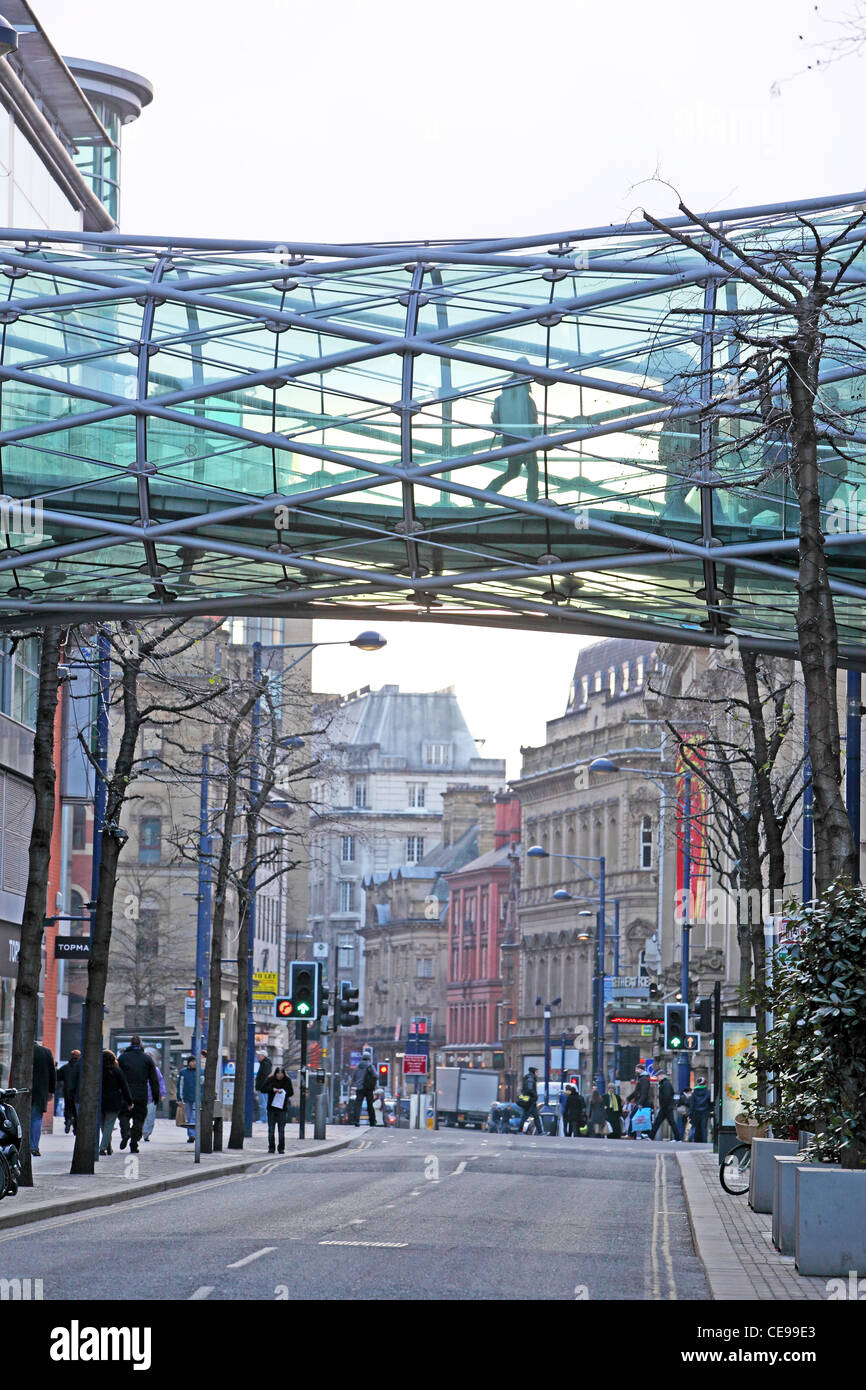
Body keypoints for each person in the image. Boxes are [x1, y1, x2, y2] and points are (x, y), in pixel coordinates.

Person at [484, 362, 540, 504]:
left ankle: (486, 493)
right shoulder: (525, 397)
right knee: (532, 470)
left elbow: (497, 421)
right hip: (525, 439)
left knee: (514, 472)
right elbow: (533, 421)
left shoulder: (502, 397)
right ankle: (533, 501)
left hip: (511, 439)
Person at [117, 1035, 160, 1154]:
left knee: (124, 1115)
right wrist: (156, 1096)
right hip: (141, 1094)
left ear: (130, 1044)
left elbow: (117, 1076)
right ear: (141, 1044)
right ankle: (134, 1143)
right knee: (138, 1120)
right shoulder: (147, 1059)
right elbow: (154, 1080)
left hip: (125, 1094)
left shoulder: (123, 1058)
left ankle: (126, 1132)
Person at [100, 1050, 133, 1155]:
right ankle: (103, 1147)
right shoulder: (117, 1071)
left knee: (103, 1126)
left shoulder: (98, 1071)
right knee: (109, 1125)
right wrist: (129, 1101)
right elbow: (124, 1087)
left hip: (100, 1101)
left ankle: (107, 1147)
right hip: (114, 1102)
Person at [30, 1041, 56, 1156]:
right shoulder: (46, 1052)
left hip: (24, 1091)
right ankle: (34, 1146)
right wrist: (51, 1090)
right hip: (40, 1091)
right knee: (36, 1119)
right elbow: (52, 1072)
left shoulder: (21, 1051)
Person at [259, 1065, 294, 1153]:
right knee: (271, 1129)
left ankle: (281, 1148)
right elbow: (263, 1089)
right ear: (275, 1074)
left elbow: (291, 1092)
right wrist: (272, 1089)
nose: (279, 1075)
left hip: (282, 1108)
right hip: (271, 1108)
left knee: (281, 1129)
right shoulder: (270, 1079)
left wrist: (283, 1091)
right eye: (278, 1074)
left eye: (281, 1074)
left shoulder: (287, 1081)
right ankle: (271, 1147)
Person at [649, 1069, 681, 1141]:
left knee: (667, 1122)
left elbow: (666, 1096)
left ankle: (678, 1138)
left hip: (666, 1107)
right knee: (659, 1122)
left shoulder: (666, 1084)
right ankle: (651, 1136)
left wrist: (664, 1105)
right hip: (666, 1107)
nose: (657, 1078)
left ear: (662, 1076)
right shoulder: (664, 1083)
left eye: (658, 1076)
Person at [141, 1051, 166, 1142]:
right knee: (141, 1116)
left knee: (150, 1117)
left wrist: (163, 1094)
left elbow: (161, 1082)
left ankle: (146, 1133)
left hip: (151, 1097)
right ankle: (141, 1131)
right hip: (141, 1097)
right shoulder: (140, 1068)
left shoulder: (156, 1070)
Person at [56, 1050, 81, 1136]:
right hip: (77, 1093)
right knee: (76, 1111)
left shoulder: (65, 1067)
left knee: (68, 1108)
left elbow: (58, 1077)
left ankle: (68, 1120)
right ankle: (76, 1128)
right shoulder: (80, 1068)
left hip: (67, 1091)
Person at [352, 1051, 378, 1126]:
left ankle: (356, 1121)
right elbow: (376, 1076)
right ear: (369, 1058)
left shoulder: (357, 1067)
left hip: (359, 1089)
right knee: (370, 1105)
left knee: (358, 1105)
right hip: (368, 1088)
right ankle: (372, 1121)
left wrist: (357, 1083)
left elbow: (353, 1078)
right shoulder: (370, 1066)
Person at [626, 1067, 652, 1139]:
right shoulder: (641, 1078)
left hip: (643, 1102)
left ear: (641, 1070)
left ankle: (631, 1134)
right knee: (643, 1118)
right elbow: (636, 1091)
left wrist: (640, 1103)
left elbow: (644, 1092)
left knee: (634, 1117)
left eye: (637, 1069)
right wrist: (629, 1098)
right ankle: (641, 1134)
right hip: (642, 1101)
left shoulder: (644, 1079)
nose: (635, 1071)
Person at [178, 1056, 198, 1144]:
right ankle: (191, 1135)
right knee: (189, 1117)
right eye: (192, 1061)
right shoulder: (183, 1072)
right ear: (189, 1062)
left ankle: (192, 1135)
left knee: (194, 1116)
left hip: (197, 1098)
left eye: (195, 1061)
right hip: (187, 1097)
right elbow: (180, 1085)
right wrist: (179, 1097)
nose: (194, 1063)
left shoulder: (200, 1072)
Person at [518, 1066, 542, 1134]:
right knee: (525, 1116)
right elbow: (530, 1089)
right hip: (530, 1100)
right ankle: (519, 1130)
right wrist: (535, 1096)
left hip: (530, 1100)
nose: (538, 1074)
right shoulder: (531, 1079)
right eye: (537, 1072)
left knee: (536, 1117)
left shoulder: (528, 1078)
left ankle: (540, 1132)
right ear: (534, 1072)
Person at [689, 1076, 712, 1143]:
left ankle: (696, 1141)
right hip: (705, 1112)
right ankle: (704, 1141)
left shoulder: (694, 1092)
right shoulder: (707, 1092)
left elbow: (692, 1104)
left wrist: (691, 1113)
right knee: (703, 1128)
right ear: (705, 1083)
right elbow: (709, 1102)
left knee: (696, 1127)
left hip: (696, 1112)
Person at [254, 1053, 272, 1124]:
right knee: (264, 1103)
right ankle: (265, 1118)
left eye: (259, 1055)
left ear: (263, 1056)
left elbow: (263, 1076)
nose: (258, 1057)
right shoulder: (266, 1064)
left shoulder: (264, 1064)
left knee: (262, 1103)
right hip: (264, 1087)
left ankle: (264, 1119)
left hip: (262, 1087)